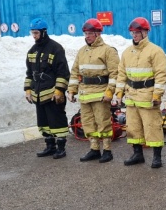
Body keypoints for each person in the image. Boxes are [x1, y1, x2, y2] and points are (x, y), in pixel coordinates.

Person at [115, 17, 166, 168]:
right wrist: (119, 92)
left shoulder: (155, 51)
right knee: (133, 128)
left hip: (148, 96)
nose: (135, 35)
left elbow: (161, 75)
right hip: (131, 96)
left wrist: (157, 94)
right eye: (133, 32)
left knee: (153, 127)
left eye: (138, 32)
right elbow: (121, 74)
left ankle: (157, 157)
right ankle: (137, 154)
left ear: (145, 32)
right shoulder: (127, 53)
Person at [66, 18, 120, 163]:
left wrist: (110, 91)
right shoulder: (82, 51)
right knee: (88, 123)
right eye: (85, 33)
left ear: (98, 34)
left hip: (100, 95)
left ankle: (107, 150)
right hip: (84, 95)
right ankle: (94, 149)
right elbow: (75, 72)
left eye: (90, 33)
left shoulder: (108, 51)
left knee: (103, 123)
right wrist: (71, 90)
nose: (87, 36)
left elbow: (115, 73)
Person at [24, 18, 70, 159]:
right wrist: (28, 90)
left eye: (36, 33)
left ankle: (61, 148)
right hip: (38, 94)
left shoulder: (56, 48)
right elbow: (29, 73)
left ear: (44, 32)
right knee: (44, 123)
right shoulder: (32, 51)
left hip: (52, 94)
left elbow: (63, 72)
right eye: (32, 33)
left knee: (57, 122)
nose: (34, 36)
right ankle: (50, 146)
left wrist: (59, 91)